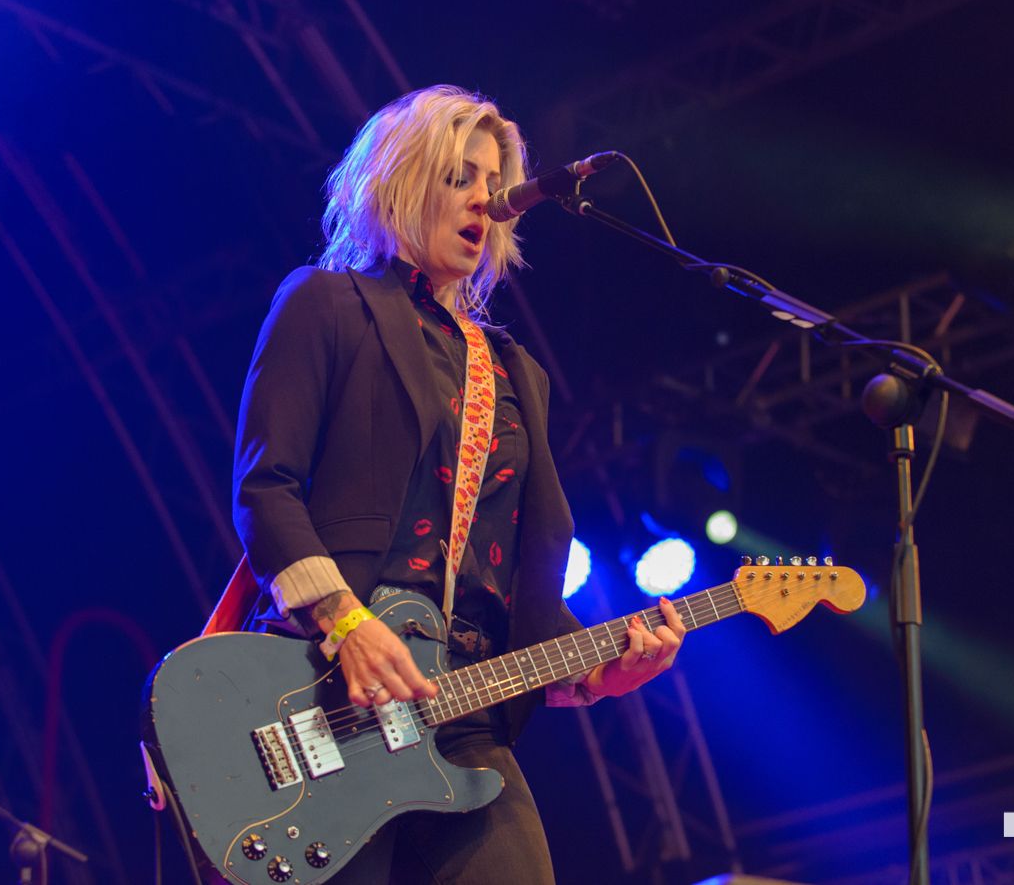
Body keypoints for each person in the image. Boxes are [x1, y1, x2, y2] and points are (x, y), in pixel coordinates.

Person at [232, 84, 686, 884]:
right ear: (401, 181)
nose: (488, 198)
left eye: (494, 179)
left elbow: (501, 576)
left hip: (463, 716)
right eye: (461, 177)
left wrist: (595, 670)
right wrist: (347, 621)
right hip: (331, 687)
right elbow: (265, 488)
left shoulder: (514, 372)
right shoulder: (328, 304)